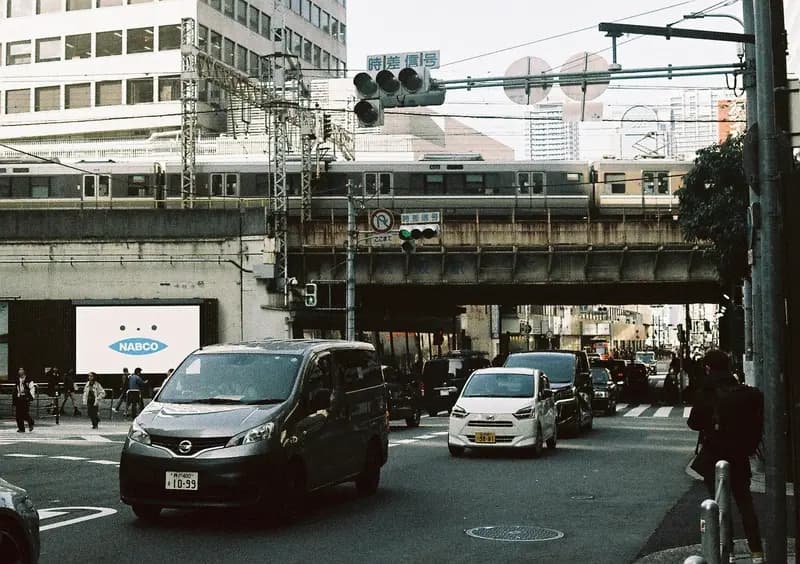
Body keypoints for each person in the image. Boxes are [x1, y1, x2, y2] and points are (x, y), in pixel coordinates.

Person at [687, 349, 763, 562]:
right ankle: (756, 551)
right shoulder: (742, 392)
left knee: (718, 506)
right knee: (745, 503)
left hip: (715, 456)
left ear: (708, 368)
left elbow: (693, 423)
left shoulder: (706, 392)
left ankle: (726, 550)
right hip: (739, 455)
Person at [12, 367, 35, 433]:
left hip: (25, 398)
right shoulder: (17, 380)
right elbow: (15, 390)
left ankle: (31, 422)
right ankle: (21, 428)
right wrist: (14, 400)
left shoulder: (29, 380)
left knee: (24, 413)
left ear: (24, 371)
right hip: (19, 398)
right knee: (18, 415)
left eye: (21, 370)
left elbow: (32, 389)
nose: (20, 371)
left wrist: (31, 397)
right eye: (19, 370)